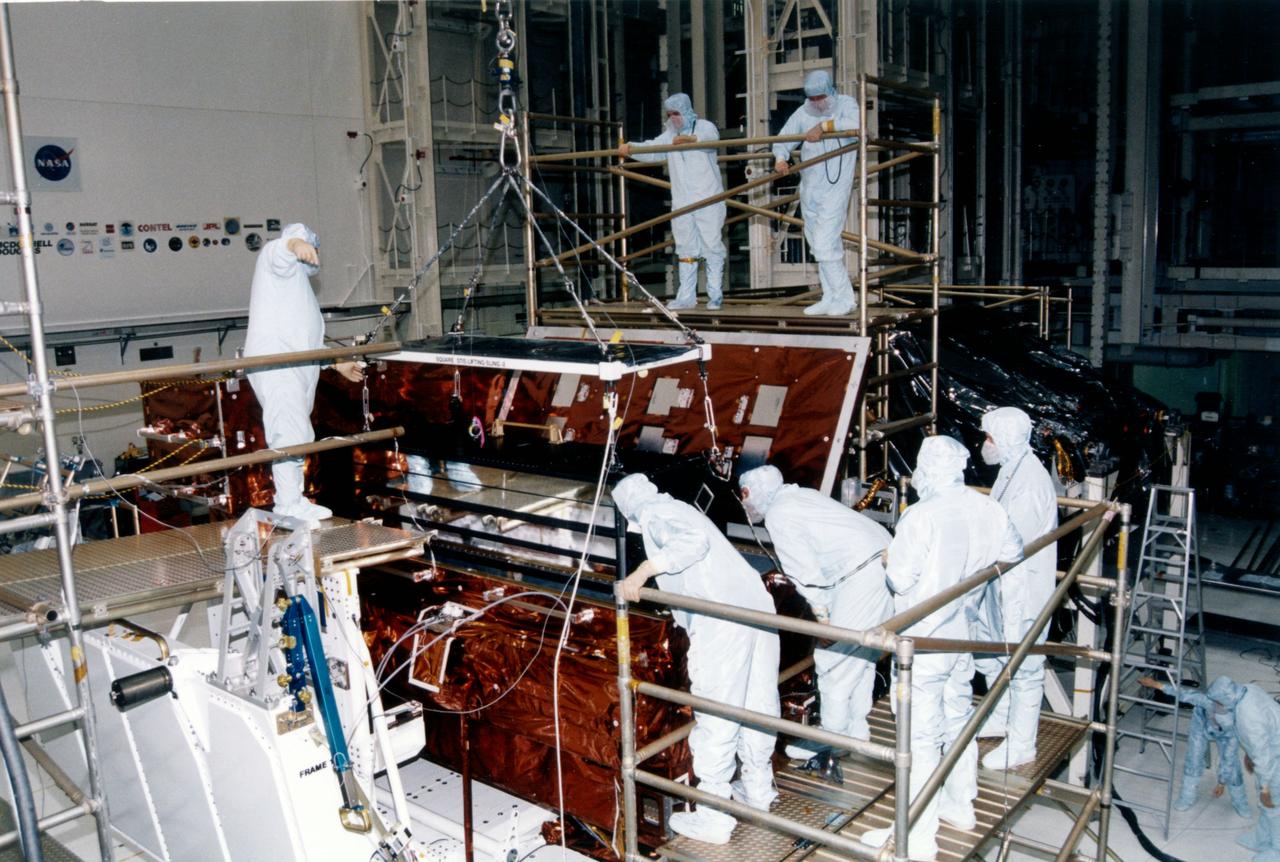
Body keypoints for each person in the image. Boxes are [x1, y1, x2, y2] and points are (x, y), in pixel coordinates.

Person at [861, 436, 1023, 861]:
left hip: (923, 643)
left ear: (929, 469)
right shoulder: (989, 507)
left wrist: (889, 557)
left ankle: (916, 838)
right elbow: (1013, 552)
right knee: (958, 719)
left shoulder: (921, 515)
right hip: (960, 635)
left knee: (918, 737)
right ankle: (959, 804)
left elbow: (899, 578)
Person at [614, 473, 780, 844]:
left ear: (628, 509)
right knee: (756, 705)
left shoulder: (655, 514)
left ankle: (713, 815)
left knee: (717, 710)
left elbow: (693, 544)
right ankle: (757, 790)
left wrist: (641, 574)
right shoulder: (680, 506)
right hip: (756, 609)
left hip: (721, 620)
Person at [737, 465, 893, 759]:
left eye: (744, 494)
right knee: (861, 654)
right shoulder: (799, 496)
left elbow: (804, 572)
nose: (743, 502)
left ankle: (831, 740)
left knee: (834, 659)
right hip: (881, 561)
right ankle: (855, 731)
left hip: (862, 572)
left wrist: (822, 618)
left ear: (754, 492)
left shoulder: (779, 515)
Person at [244, 223, 359, 526]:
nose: (312, 257)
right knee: (289, 432)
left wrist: (337, 363)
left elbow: (307, 339)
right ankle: (288, 504)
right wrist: (295, 244)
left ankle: (293, 500)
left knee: (297, 433)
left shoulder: (297, 285)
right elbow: (278, 253)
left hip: (296, 366)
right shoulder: (276, 262)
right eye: (310, 250)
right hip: (279, 367)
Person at [973, 407, 1059, 769]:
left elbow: (1012, 540)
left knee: (1024, 664)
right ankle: (1002, 718)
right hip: (1003, 584)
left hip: (1023, 590)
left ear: (1005, 439)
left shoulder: (1030, 482)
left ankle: (1022, 742)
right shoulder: (1011, 470)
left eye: (990, 438)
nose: (985, 445)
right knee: (994, 655)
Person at [619, 93, 726, 311]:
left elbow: (711, 141)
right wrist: (630, 148)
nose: (673, 118)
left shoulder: (703, 126)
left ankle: (715, 295)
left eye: (676, 114)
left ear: (686, 111)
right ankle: (686, 297)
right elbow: (653, 150)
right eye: (669, 115)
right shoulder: (669, 134)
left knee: (711, 246)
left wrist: (689, 140)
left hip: (708, 198)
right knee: (686, 248)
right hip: (682, 200)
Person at [771, 69, 860, 317]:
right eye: (812, 99)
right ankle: (830, 296)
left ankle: (845, 298)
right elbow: (784, 138)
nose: (817, 103)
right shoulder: (803, 112)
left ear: (830, 91)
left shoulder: (846, 104)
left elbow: (857, 125)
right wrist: (781, 157)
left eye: (820, 97)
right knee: (816, 241)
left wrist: (825, 125)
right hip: (810, 186)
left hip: (835, 187)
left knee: (823, 243)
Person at [1137, 675, 1249, 817]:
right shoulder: (1206, 701)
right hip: (1201, 725)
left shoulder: (1237, 720)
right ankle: (1187, 796)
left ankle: (1240, 801)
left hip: (1227, 735)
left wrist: (1221, 783)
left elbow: (1228, 758)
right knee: (1194, 758)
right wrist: (1156, 684)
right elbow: (1183, 694)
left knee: (1232, 765)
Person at [1228, 677, 1280, 860]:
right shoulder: (1246, 689)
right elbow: (1261, 732)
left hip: (1275, 757)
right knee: (1267, 805)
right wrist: (1250, 753)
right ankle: (1263, 838)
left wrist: (1265, 788)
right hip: (1273, 746)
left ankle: (1278, 849)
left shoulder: (1246, 716)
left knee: (1273, 803)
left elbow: (1264, 756)